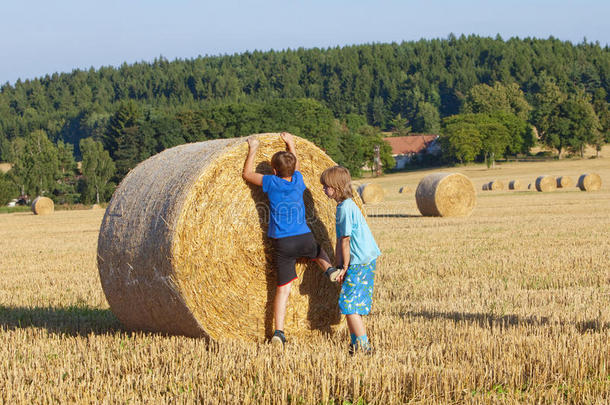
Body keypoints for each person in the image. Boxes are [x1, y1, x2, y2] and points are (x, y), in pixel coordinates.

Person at [242, 132, 339, 347]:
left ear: (274, 171)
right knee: (318, 252)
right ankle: (329, 270)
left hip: (282, 243)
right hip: (303, 236)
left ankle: (279, 332)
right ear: (292, 170)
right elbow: (296, 166)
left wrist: (253, 149)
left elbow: (247, 174)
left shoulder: (271, 182)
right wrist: (291, 144)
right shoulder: (298, 180)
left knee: (283, 289)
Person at [320, 166, 381, 354]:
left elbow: (345, 241)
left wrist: (344, 266)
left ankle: (364, 346)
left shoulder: (345, 208)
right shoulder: (345, 205)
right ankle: (355, 344)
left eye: (326, 186)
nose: (323, 189)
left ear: (336, 187)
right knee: (348, 303)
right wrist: (339, 265)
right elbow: (340, 241)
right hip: (362, 259)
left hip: (359, 261)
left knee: (349, 306)